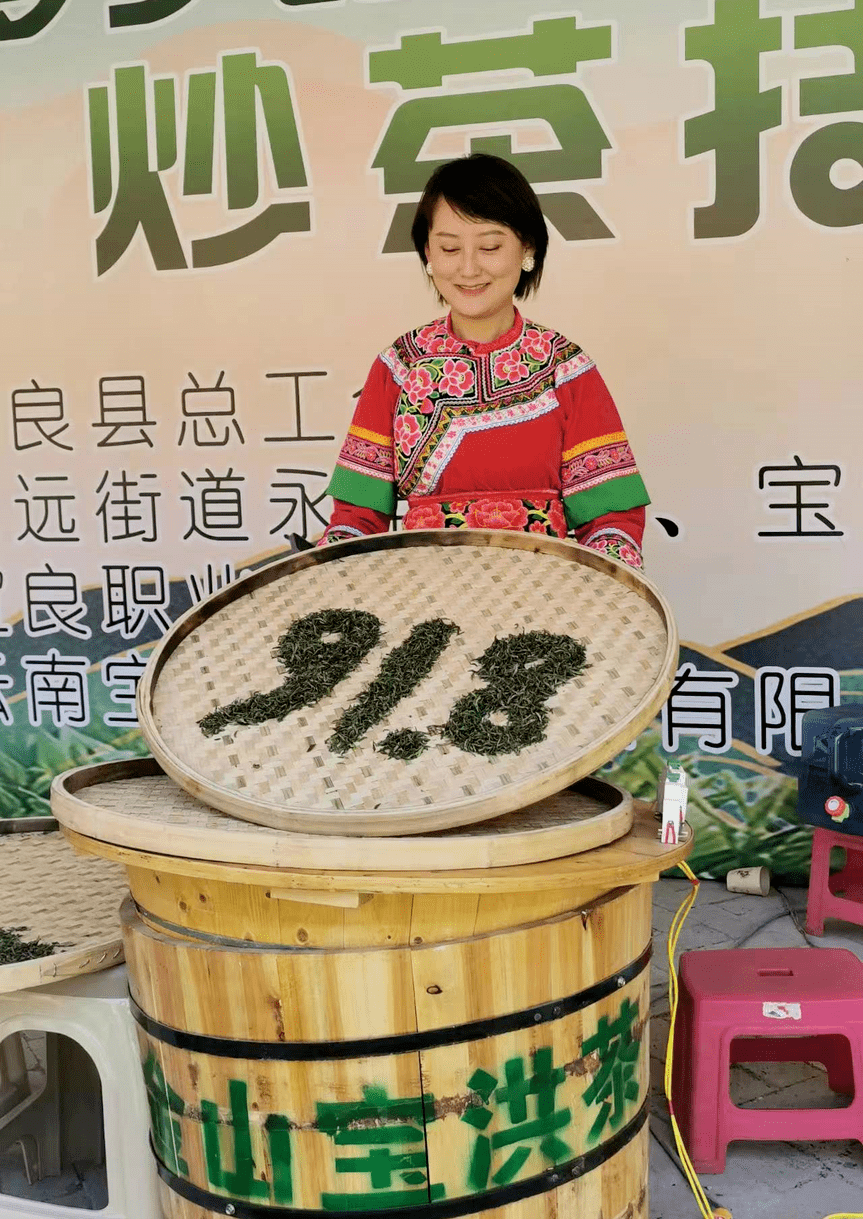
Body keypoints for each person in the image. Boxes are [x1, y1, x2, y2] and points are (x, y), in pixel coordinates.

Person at [320, 153, 649, 568]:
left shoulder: (565, 369)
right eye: (449, 247)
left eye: (490, 246)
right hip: (422, 603)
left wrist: (591, 597)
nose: (469, 268)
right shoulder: (398, 368)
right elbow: (356, 520)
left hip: (549, 604)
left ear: (527, 248)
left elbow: (612, 519)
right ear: (428, 253)